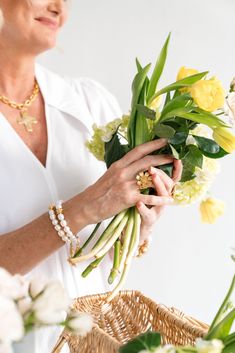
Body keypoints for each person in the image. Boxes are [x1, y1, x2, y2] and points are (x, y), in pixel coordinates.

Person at [0, 0, 182, 352]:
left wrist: (137, 224)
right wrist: (85, 207)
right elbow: (88, 209)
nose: (57, 7)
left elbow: (96, 258)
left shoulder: (90, 104)